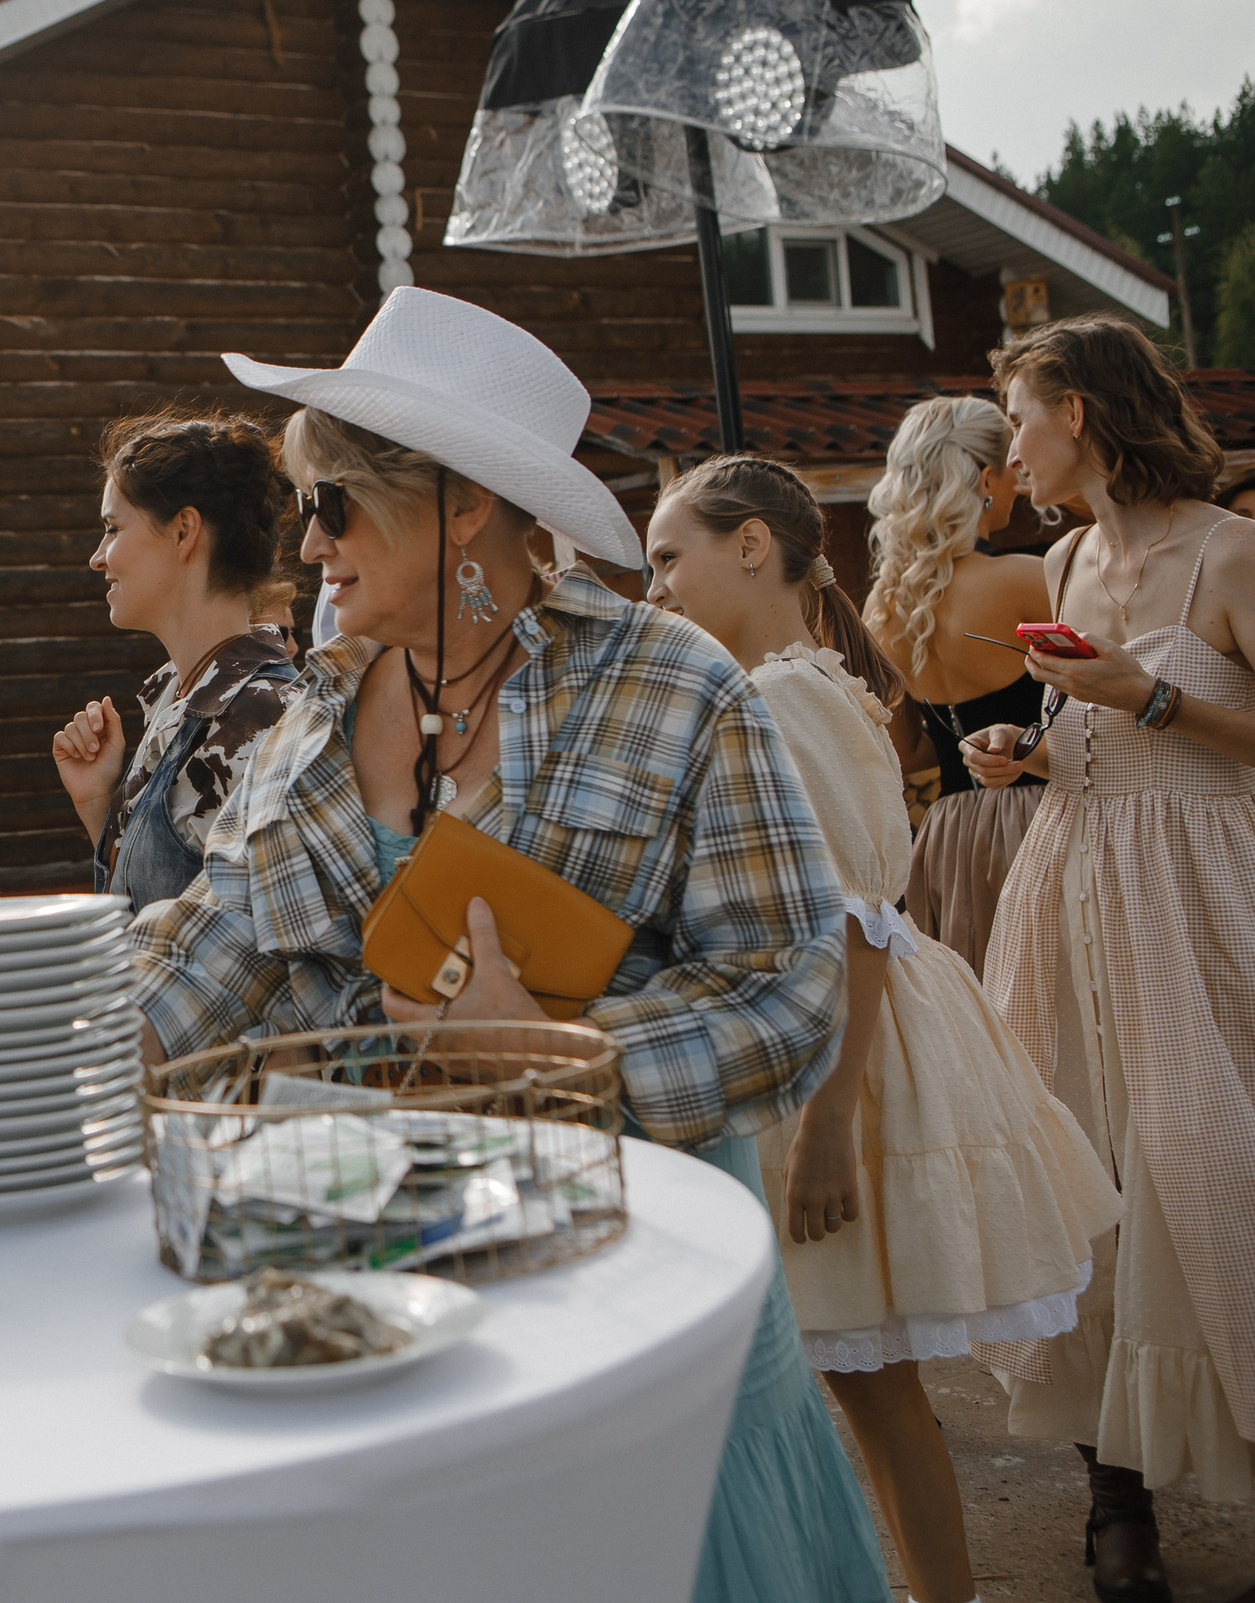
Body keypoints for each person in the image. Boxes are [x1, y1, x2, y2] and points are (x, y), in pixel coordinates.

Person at [128, 287, 887, 1603]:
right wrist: (58, 1049)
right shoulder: (311, 712)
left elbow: (788, 987)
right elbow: (213, 942)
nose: (309, 543)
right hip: (394, 1291)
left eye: (334, 503)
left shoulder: (675, 683)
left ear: (463, 504)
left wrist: (559, 1051)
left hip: (634, 1281)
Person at [646, 455, 1122, 1603]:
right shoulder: (784, 686)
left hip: (840, 1060)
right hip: (822, 1040)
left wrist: (825, 1126)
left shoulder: (782, 701)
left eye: (668, 558)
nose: (653, 587)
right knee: (863, 1387)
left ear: (750, 547)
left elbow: (855, 921)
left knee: (875, 1387)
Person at [963, 314, 1255, 1597]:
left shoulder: (1232, 553)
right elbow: (1090, 740)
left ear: (1076, 412)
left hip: (1204, 900)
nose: (1009, 450)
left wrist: (1149, 696)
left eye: (1018, 419)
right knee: (1075, 1184)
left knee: (1211, 1168)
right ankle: (1114, 1501)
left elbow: (1175, 726)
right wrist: (1021, 754)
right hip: (1070, 892)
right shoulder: (1064, 559)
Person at [49, 411, 298, 911]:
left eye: (113, 529)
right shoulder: (181, 700)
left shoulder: (262, 718)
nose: (98, 557)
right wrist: (97, 803)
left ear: (184, 531)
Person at [860, 396, 1051, 980]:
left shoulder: (883, 609)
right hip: (1042, 819)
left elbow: (905, 752)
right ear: (986, 480)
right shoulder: (1027, 578)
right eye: (1010, 468)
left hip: (949, 837)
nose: (1019, 481)